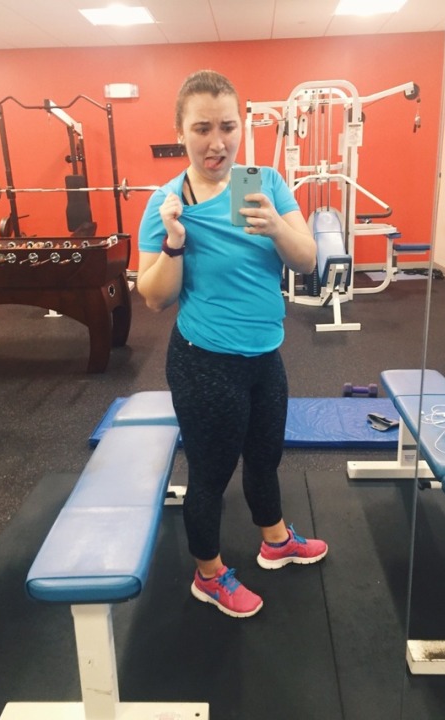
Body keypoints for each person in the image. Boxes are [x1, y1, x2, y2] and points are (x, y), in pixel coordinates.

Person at [137, 70, 328, 619]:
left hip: (265, 355)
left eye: (227, 126)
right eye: (202, 129)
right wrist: (175, 243)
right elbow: (153, 297)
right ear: (180, 131)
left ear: (241, 127)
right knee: (211, 474)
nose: (217, 142)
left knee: (265, 457)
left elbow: (308, 260)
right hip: (205, 362)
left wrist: (276, 227)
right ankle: (209, 574)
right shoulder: (168, 202)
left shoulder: (264, 183)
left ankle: (275, 540)